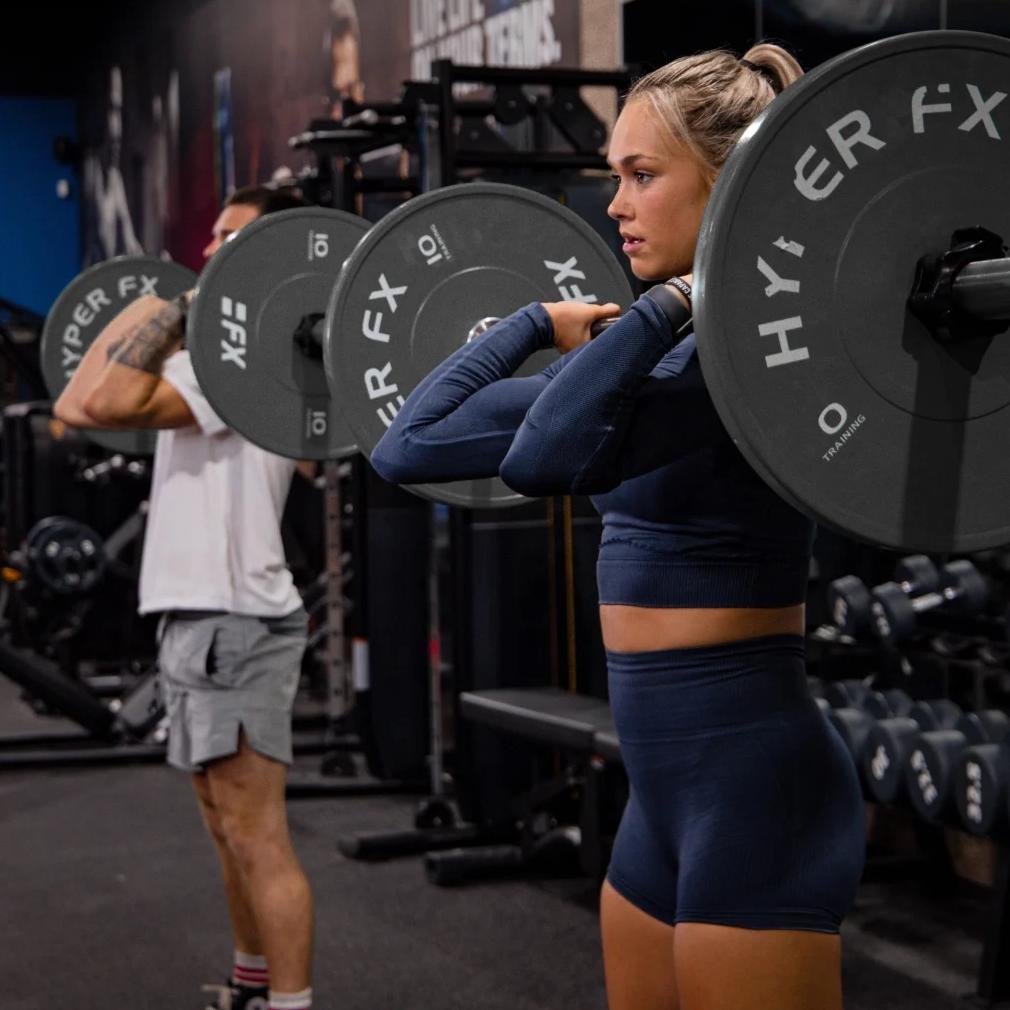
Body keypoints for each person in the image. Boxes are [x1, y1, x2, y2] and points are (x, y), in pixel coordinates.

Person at [368, 45, 865, 1010]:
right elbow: (407, 447)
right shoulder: (649, 371)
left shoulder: (744, 374)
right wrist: (534, 324)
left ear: (728, 186)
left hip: (756, 788)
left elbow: (540, 458)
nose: (616, 204)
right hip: (659, 799)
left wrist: (681, 296)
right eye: (614, 177)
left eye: (642, 176)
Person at [54, 184, 317, 1010]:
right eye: (212, 232)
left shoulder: (246, 362)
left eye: (233, 237)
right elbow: (71, 405)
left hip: (235, 616)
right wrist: (155, 309)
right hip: (199, 615)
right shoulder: (206, 352)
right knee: (223, 828)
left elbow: (109, 399)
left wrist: (168, 308)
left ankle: (291, 1004)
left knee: (256, 834)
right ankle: (249, 983)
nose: (212, 248)